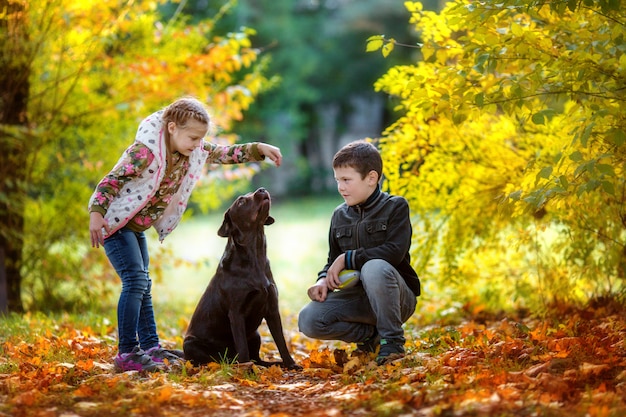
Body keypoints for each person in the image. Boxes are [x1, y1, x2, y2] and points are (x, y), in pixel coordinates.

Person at [88, 97, 282, 372]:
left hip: (135, 227)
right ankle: (128, 352)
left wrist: (258, 149)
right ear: (171, 128)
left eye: (201, 138)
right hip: (114, 225)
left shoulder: (192, 149)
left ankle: (151, 347)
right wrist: (96, 213)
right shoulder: (145, 152)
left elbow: (222, 153)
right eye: (193, 138)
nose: (197, 144)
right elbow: (112, 180)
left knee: (143, 284)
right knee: (135, 281)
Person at [298, 140, 420, 365]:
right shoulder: (339, 215)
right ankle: (369, 338)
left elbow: (394, 252)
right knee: (308, 319)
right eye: (337, 180)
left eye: (346, 180)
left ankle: (392, 343)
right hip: (358, 300)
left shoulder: (396, 207)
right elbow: (332, 259)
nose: (340, 187)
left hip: (397, 298)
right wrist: (323, 280)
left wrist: (348, 258)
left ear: (371, 178)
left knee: (374, 266)